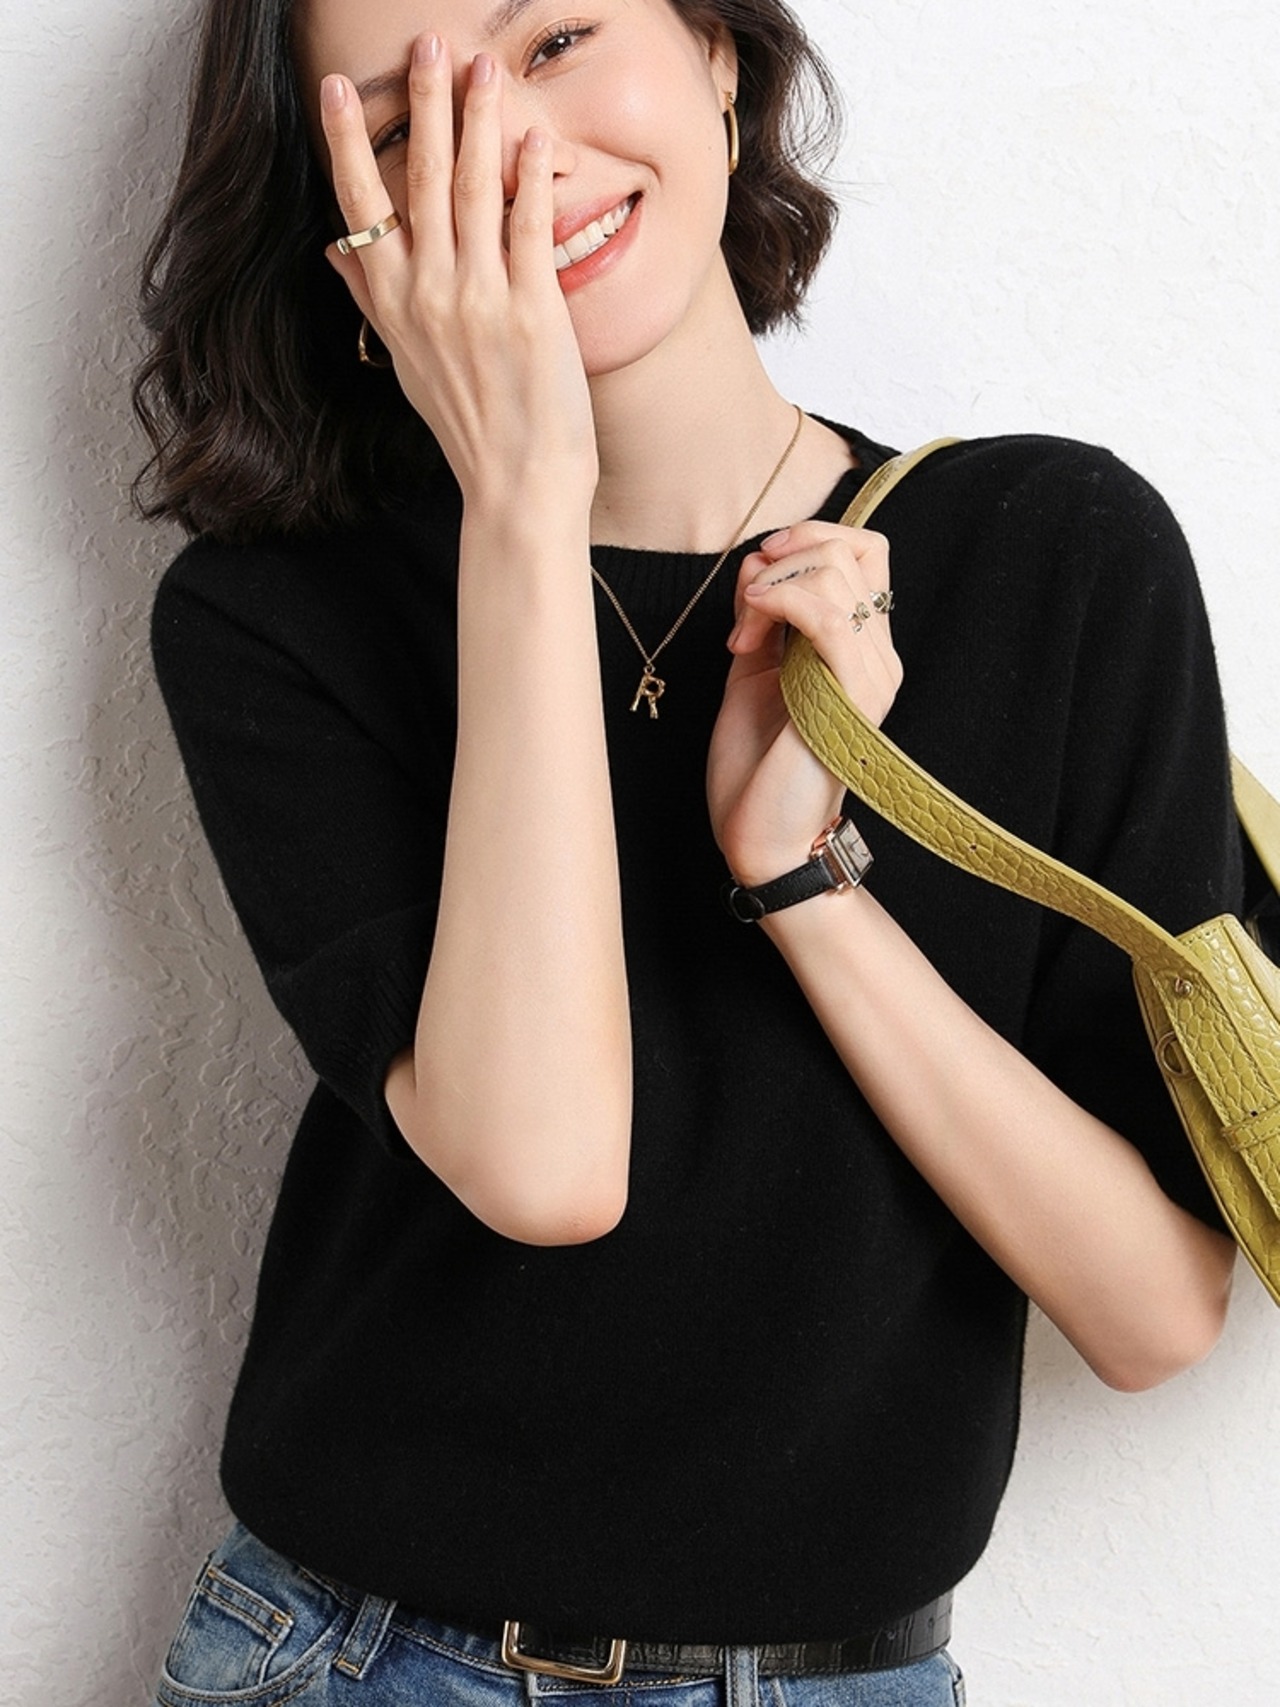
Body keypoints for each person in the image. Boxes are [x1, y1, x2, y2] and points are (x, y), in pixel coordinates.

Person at [134, 1, 1243, 1701]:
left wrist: (801, 882)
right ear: (348, 235)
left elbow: (1154, 1314)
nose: (512, 152)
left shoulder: (1055, 552)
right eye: (409, 130)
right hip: (362, 1660)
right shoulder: (279, 615)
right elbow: (546, 1167)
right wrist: (522, 500)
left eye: (558, 38)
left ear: (722, 61)